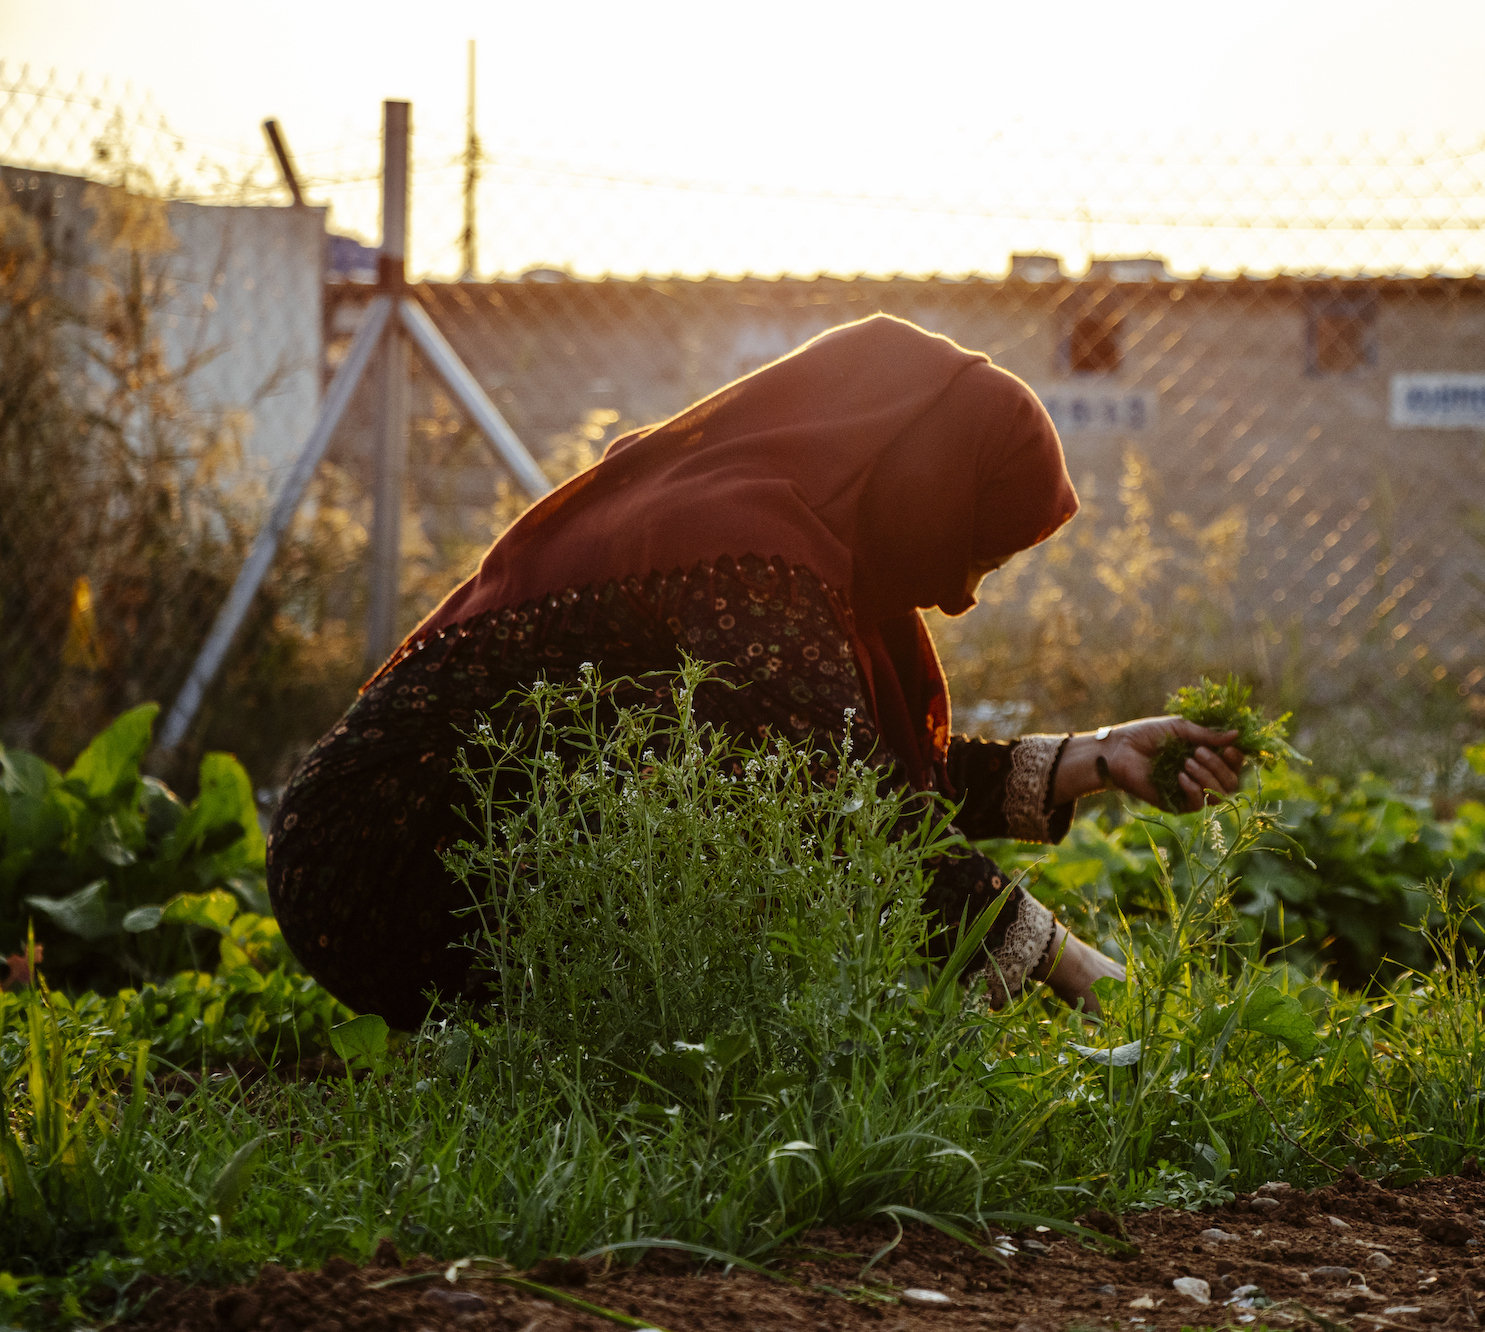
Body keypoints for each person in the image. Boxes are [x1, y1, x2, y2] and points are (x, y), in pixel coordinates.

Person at [266, 315, 1243, 1030]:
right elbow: (849, 809)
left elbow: (850, 774)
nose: (963, 595)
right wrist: (1081, 974)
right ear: (924, 486)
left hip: (428, 858)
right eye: (972, 550)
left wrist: (1100, 759)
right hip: (376, 864)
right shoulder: (744, 553)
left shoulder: (786, 545)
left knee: (764, 785)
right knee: (778, 819)